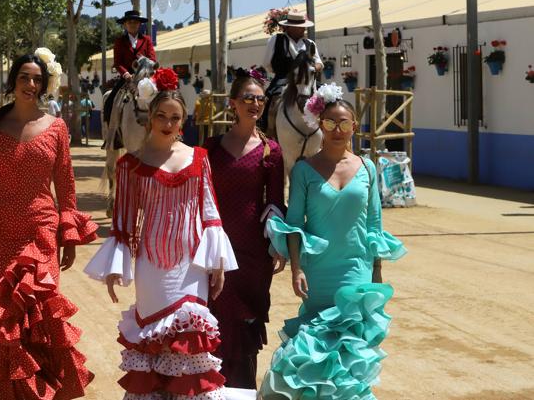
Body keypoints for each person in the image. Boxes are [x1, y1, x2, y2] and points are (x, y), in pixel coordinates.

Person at [0, 51, 98, 399]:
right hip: (0, 233)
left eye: (37, 79)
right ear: (13, 82)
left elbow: (66, 186)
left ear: (44, 85)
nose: (30, 84)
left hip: (42, 232)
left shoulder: (57, 128)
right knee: (2, 321)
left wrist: (68, 237)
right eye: (24, 77)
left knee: (41, 319)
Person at [84, 68, 238, 399]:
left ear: (183, 121)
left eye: (175, 117)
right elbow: (123, 224)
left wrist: (218, 263)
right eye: (162, 116)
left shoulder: (199, 158)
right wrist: (114, 269)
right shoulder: (130, 165)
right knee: (153, 343)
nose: (168, 123)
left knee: (190, 341)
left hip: (192, 267)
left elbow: (210, 214)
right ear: (150, 117)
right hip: (151, 268)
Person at [258, 85, 407, 399]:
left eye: (343, 123)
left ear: (354, 126)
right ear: (319, 125)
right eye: (329, 123)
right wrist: (296, 269)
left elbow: (374, 226)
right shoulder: (303, 170)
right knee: (313, 348)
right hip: (319, 274)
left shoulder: (367, 167)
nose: (337, 130)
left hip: (356, 271)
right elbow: (295, 225)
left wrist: (377, 275)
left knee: (349, 351)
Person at [203, 69, 285, 390]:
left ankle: (243, 393)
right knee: (215, 326)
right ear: (233, 103)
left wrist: (278, 245)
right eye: (248, 98)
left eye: (260, 99)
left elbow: (276, 203)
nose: (254, 103)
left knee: (246, 331)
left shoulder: (272, 151)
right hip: (215, 251)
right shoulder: (209, 148)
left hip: (252, 257)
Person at [261, 11, 323, 136]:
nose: (303, 29)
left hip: (307, 80)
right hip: (283, 79)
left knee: (329, 99)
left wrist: (313, 68)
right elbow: (267, 64)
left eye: (303, 26)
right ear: (288, 27)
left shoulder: (310, 44)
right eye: (299, 27)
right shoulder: (276, 40)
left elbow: (319, 63)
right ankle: (268, 130)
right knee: (272, 99)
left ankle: (327, 131)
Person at [103, 10, 156, 143]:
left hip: (145, 77)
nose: (132, 24)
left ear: (139, 24)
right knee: (110, 100)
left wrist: (146, 67)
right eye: (129, 22)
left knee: (162, 97)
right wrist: (126, 74)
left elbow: (152, 58)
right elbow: (118, 62)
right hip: (127, 78)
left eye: (135, 22)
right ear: (125, 25)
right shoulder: (120, 41)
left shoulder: (147, 40)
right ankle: (112, 135)